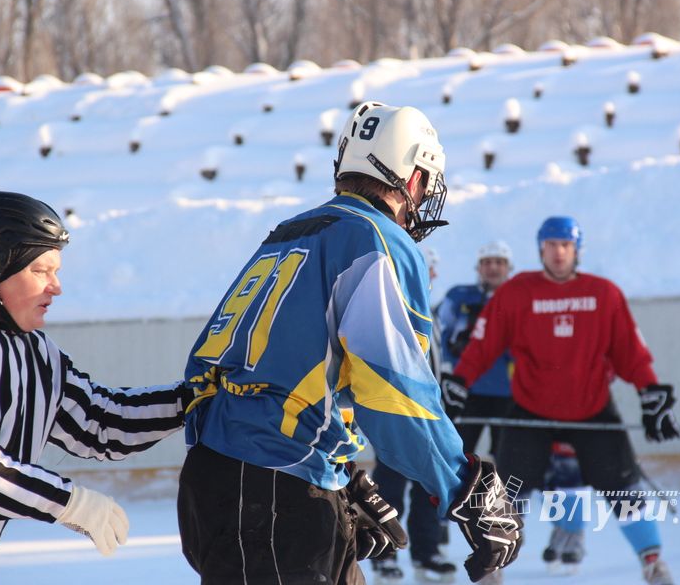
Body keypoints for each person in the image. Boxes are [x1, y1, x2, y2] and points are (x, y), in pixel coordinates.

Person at [177, 101, 523, 585]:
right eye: (424, 179)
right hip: (275, 493)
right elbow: (394, 392)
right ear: (410, 176)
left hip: (226, 479)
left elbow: (214, 371)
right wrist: (464, 487)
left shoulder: (287, 234)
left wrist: (339, 471)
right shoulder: (374, 239)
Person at [0, 191, 190, 585]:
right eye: (40, 271)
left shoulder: (35, 352)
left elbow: (102, 423)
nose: (56, 287)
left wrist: (199, 395)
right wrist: (68, 502)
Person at [444, 216, 680, 585]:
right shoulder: (516, 292)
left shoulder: (605, 294)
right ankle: (492, 567)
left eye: (565, 245)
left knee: (624, 489)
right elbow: (482, 346)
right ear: (540, 250)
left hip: (593, 411)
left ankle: (652, 561)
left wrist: (649, 390)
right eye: (551, 245)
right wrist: (460, 381)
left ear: (577, 250)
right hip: (531, 413)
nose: (558, 252)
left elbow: (630, 352)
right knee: (506, 494)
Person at [370, 245, 456, 584]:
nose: (428, 277)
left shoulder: (430, 314)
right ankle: (383, 552)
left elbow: (437, 365)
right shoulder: (394, 313)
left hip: (430, 419)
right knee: (390, 485)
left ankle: (427, 551)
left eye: (431, 270)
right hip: (397, 415)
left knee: (429, 486)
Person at [437, 240, 514, 458]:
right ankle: (461, 493)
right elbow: (440, 333)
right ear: (478, 267)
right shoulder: (458, 296)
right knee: (459, 454)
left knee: (509, 457)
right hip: (466, 389)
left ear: (509, 268)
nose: (493, 268)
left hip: (509, 391)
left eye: (499, 262)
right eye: (487, 262)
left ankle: (511, 494)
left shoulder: (520, 300)